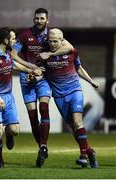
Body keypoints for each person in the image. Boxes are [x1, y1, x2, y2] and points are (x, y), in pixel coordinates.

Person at [12, 8, 74, 168]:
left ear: (47, 20)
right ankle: (42, 147)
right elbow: (13, 54)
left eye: (42, 18)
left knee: (44, 108)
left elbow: (69, 48)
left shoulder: (52, 35)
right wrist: (29, 66)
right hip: (27, 78)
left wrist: (50, 55)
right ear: (34, 19)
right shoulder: (25, 34)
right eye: (36, 18)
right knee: (33, 117)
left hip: (43, 78)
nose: (39, 21)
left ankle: (43, 146)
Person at [0, 27, 42, 168]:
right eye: (13, 38)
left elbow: (13, 64)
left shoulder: (8, 54)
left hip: (8, 97)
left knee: (14, 130)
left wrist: (31, 69)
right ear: (5, 40)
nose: (15, 41)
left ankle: (8, 135)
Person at [40, 28, 99, 168]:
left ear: (62, 40)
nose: (53, 44)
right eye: (51, 41)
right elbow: (40, 71)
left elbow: (79, 68)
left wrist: (91, 81)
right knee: (74, 129)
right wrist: (34, 74)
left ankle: (83, 156)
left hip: (74, 92)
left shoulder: (72, 52)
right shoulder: (43, 54)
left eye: (56, 41)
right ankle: (89, 151)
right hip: (59, 96)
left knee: (78, 123)